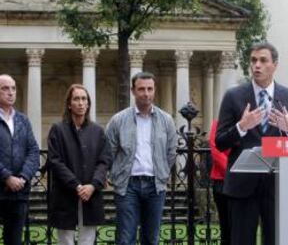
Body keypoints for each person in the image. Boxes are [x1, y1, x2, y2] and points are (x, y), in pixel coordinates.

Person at [215, 42, 288, 245]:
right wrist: (241, 126)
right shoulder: (234, 96)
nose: (257, 65)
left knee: (277, 240)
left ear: (275, 65)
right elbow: (220, 142)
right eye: (253, 60)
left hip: (278, 184)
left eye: (263, 60)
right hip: (242, 185)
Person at [106, 72, 177, 245]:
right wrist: (114, 176)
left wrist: (162, 173)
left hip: (155, 186)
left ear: (154, 90)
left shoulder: (166, 120)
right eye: (141, 89)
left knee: (151, 239)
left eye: (150, 89)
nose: (146, 93)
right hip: (127, 185)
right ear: (133, 91)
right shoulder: (118, 120)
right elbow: (109, 152)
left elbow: (171, 151)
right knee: (125, 238)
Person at [47, 84, 111, 245]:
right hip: (65, 194)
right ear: (69, 104)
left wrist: (93, 185)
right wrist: (76, 186)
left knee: (88, 239)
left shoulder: (97, 131)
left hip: (91, 194)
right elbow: (55, 161)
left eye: (84, 99)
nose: (81, 103)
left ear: (88, 104)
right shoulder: (58, 130)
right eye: (76, 99)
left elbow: (104, 161)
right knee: (65, 240)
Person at [0, 74, 39, 245]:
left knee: (14, 240)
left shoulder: (23, 120)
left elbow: (33, 151)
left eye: (13, 88)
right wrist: (6, 176)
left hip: (19, 193)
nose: (10, 92)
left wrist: (23, 177)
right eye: (5, 88)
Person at [209, 120, 231, 245]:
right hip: (223, 181)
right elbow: (216, 149)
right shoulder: (219, 124)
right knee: (226, 226)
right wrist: (233, 171)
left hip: (246, 182)